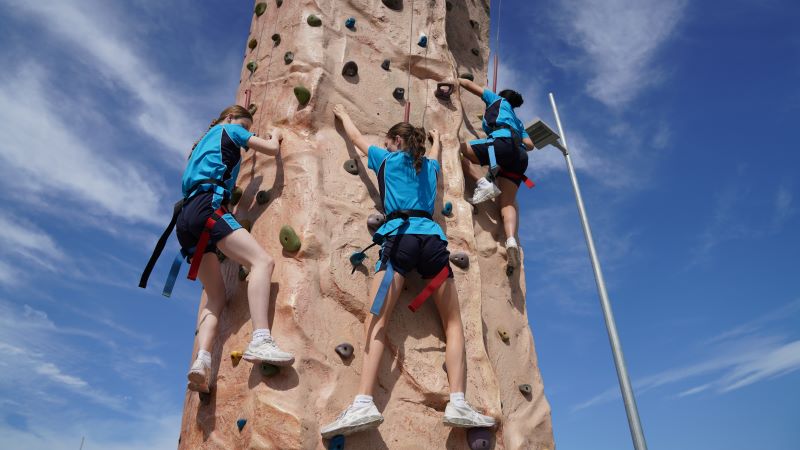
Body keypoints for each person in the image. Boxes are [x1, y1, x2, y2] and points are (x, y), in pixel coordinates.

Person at [320, 104, 496, 438]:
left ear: (394, 143)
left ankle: (363, 403)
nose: (384, 148)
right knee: (454, 324)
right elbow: (436, 151)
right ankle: (458, 401)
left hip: (398, 239)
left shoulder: (385, 160)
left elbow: (355, 138)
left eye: (388, 143)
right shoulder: (430, 166)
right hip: (432, 242)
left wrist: (342, 114)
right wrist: (438, 141)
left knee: (377, 319)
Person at [180, 105, 294, 393]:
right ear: (231, 119)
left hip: (185, 218)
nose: (244, 132)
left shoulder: (197, 147)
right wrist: (276, 134)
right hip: (209, 206)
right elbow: (269, 148)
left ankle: (202, 360)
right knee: (262, 262)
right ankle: (260, 339)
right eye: (244, 126)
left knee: (215, 297)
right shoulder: (229, 129)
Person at [457, 78, 535, 269]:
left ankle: (482, 183)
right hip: (520, 157)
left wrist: (455, 79)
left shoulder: (496, 100)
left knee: (456, 149)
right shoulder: (518, 122)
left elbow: (470, 86)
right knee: (507, 202)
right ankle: (510, 240)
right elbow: (530, 145)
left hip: (501, 144)